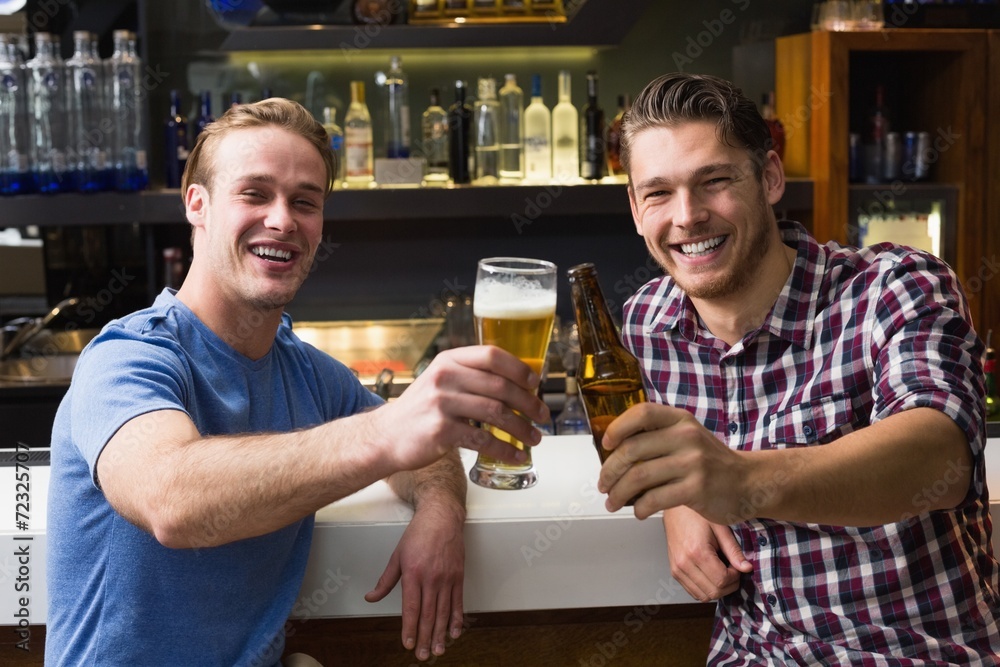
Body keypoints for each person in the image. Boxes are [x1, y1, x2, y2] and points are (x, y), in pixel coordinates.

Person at [45, 98, 549, 666]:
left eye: (304, 202)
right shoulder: (127, 358)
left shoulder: (304, 371)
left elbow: (422, 454)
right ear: (198, 205)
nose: (282, 220)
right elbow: (171, 499)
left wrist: (440, 512)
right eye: (255, 193)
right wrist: (383, 432)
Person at [596, 72, 1000, 664]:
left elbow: (939, 456)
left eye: (714, 181)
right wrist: (681, 502)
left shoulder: (894, 287)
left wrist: (735, 483)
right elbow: (640, 457)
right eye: (658, 192)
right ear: (635, 208)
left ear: (770, 178)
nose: (687, 216)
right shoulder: (643, 328)